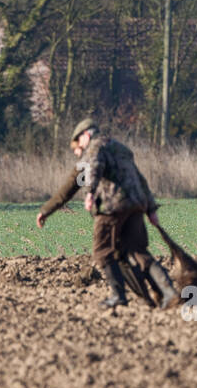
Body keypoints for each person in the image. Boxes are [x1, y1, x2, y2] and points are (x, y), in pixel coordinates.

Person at [36, 119, 176, 309]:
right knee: (138, 252)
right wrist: (150, 208)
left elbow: (85, 173)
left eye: (78, 145)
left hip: (111, 206)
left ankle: (118, 296)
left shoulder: (93, 150)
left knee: (102, 251)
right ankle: (169, 293)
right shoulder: (120, 149)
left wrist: (90, 194)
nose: (77, 151)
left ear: (85, 135)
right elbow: (139, 178)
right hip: (135, 204)